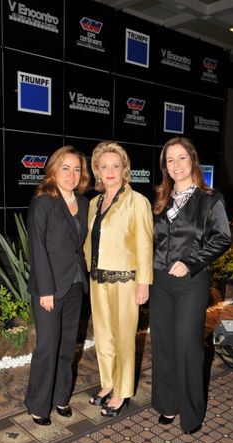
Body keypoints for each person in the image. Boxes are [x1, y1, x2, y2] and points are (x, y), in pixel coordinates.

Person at [149, 136, 231, 434]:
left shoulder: (210, 199)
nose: (176, 165)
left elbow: (222, 238)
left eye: (181, 158)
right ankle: (167, 404)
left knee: (187, 345)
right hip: (160, 282)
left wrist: (192, 261)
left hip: (191, 283)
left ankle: (192, 413)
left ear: (192, 160)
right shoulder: (160, 200)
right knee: (163, 345)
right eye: (170, 160)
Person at [84, 141, 153, 417]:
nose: (110, 171)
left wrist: (143, 282)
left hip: (126, 282)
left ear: (125, 169)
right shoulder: (93, 203)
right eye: (104, 166)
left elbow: (145, 244)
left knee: (125, 337)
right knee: (103, 335)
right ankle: (108, 382)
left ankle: (123, 391)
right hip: (97, 279)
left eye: (116, 165)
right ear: (97, 171)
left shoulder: (138, 201)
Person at [24, 145, 90, 426]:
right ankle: (38, 404)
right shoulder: (43, 201)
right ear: (53, 169)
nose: (71, 174)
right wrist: (46, 290)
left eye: (76, 169)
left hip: (76, 285)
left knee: (67, 347)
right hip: (49, 289)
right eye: (65, 167)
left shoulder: (84, 203)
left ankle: (61, 397)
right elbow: (37, 247)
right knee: (48, 347)